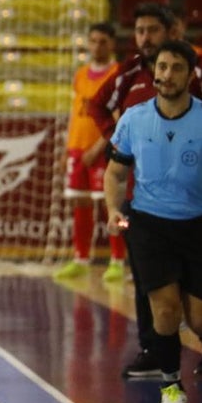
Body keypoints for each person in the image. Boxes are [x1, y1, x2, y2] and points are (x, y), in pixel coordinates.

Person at [88, 3, 202, 378]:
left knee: (199, 317)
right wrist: (113, 210)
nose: (166, 74)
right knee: (164, 307)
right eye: (162, 68)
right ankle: (170, 382)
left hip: (197, 223)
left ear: (190, 75)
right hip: (148, 221)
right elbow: (115, 172)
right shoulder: (135, 114)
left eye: (176, 68)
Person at [54, 22, 127, 282]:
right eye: (93, 41)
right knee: (80, 203)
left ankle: (118, 260)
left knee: (112, 205)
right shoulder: (81, 74)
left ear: (112, 44)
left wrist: (99, 148)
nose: (97, 46)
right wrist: (67, 150)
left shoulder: (119, 74)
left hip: (105, 150)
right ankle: (80, 259)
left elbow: (120, 116)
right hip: (77, 149)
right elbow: (76, 114)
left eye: (103, 41)